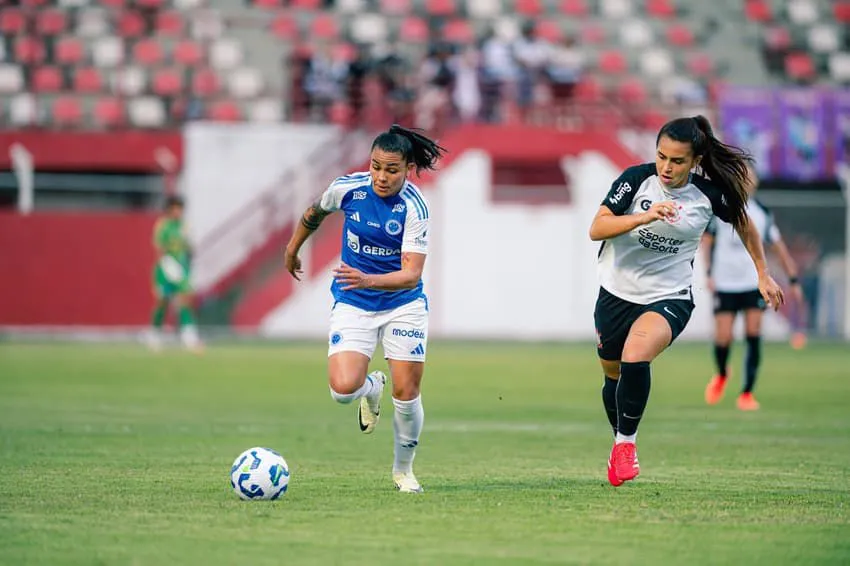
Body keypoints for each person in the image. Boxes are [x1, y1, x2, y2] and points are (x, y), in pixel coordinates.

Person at [589, 116, 784, 487]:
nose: (666, 167)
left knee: (635, 355)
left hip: (669, 295)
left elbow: (744, 223)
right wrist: (644, 216)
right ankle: (620, 441)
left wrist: (762, 272)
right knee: (612, 375)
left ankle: (626, 446)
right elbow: (597, 228)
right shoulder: (635, 180)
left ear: (694, 161)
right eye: (662, 156)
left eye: (677, 161)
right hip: (615, 292)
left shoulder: (708, 196)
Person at [284, 124, 446, 493]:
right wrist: (293, 249)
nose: (382, 176)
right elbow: (315, 211)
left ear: (407, 169)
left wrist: (367, 279)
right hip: (354, 301)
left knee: (406, 392)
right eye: (376, 166)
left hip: (402, 304)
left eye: (392, 169)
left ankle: (403, 471)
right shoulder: (348, 188)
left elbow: (410, 275)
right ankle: (371, 386)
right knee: (342, 390)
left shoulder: (414, 207)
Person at [703, 166, 803, 410]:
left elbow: (779, 247)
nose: (747, 181)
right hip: (725, 282)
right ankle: (722, 373)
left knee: (753, 332)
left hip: (753, 283)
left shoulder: (761, 214)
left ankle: (746, 393)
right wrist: (708, 273)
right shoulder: (720, 210)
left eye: (750, 177)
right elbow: (707, 242)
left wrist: (792, 279)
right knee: (723, 337)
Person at [147, 195, 203, 353]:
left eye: (181, 208)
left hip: (181, 270)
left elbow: (190, 248)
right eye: (176, 208)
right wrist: (167, 267)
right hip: (165, 269)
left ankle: (189, 336)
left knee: (185, 300)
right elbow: (160, 250)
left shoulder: (185, 226)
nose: (179, 211)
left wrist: (189, 260)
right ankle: (154, 333)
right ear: (169, 209)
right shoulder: (163, 226)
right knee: (162, 302)